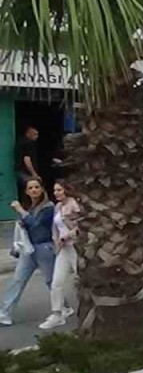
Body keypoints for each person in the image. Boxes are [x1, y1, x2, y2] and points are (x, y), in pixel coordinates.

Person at [0, 179, 56, 327]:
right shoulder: (30, 208)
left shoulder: (48, 208)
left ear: (42, 189)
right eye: (30, 188)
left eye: (37, 187)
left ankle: (62, 307)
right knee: (18, 280)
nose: (34, 190)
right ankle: (4, 313)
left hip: (44, 248)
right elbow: (26, 227)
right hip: (29, 249)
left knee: (51, 281)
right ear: (26, 191)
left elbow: (36, 224)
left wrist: (20, 211)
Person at [42, 181, 80, 330]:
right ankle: (57, 313)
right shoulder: (58, 207)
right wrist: (56, 240)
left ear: (67, 190)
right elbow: (55, 227)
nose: (56, 193)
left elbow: (81, 226)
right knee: (56, 282)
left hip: (75, 248)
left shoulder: (74, 205)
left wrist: (67, 236)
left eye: (59, 190)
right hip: (63, 249)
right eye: (54, 190)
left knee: (81, 279)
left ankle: (94, 309)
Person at [15, 125, 40, 205]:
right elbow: (27, 159)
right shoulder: (28, 143)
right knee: (33, 188)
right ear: (28, 134)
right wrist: (34, 173)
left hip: (19, 171)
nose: (37, 136)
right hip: (25, 172)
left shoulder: (19, 142)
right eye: (35, 134)